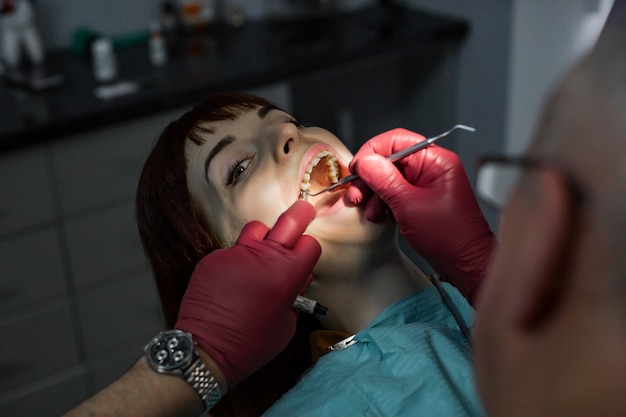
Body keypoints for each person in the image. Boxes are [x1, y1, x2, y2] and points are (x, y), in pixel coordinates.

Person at [63, 92, 493, 417]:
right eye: (238, 169)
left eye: (292, 122)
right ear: (230, 264)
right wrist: (202, 359)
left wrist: (488, 273)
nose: (289, 134)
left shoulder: (494, 303)